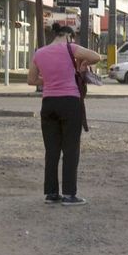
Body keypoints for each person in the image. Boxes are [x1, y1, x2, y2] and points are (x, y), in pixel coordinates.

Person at [27, 23, 100, 205]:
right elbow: (96, 56)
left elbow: (31, 80)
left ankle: (51, 194)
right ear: (68, 36)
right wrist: (82, 63)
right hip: (69, 102)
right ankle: (69, 194)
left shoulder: (39, 53)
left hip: (48, 103)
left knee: (51, 150)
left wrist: (50, 79)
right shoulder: (71, 47)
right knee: (70, 149)